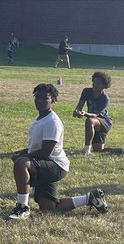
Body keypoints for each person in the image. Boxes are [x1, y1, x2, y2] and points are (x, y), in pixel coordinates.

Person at [8, 83, 107, 220]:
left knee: (21, 163)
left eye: (45, 98)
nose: (40, 101)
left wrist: (23, 156)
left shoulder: (52, 121)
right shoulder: (39, 118)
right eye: (37, 97)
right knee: (48, 207)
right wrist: (22, 152)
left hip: (55, 165)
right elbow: (36, 148)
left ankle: (22, 207)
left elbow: (45, 153)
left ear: (53, 100)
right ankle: (90, 198)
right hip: (46, 163)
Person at [72, 72, 124, 155]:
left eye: (98, 83)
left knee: (90, 120)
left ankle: (86, 149)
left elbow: (95, 115)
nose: (95, 85)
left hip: (104, 121)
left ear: (104, 86)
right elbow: (79, 105)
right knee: (98, 150)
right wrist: (77, 111)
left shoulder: (104, 98)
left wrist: (84, 114)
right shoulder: (86, 91)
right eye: (94, 82)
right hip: (95, 121)